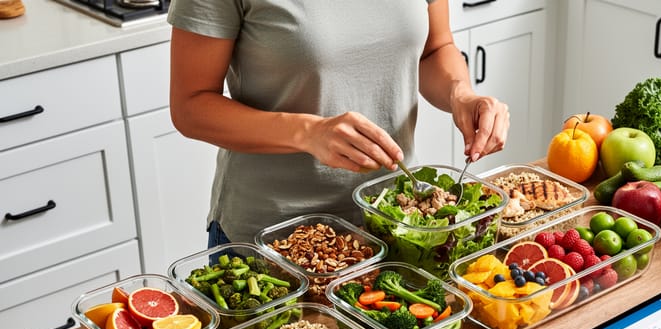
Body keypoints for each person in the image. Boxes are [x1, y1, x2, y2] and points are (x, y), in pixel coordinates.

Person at [166, 0, 511, 247]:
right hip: (273, 239)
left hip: (396, 223)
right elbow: (190, 105)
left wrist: (461, 95)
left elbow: (435, 48)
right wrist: (308, 133)